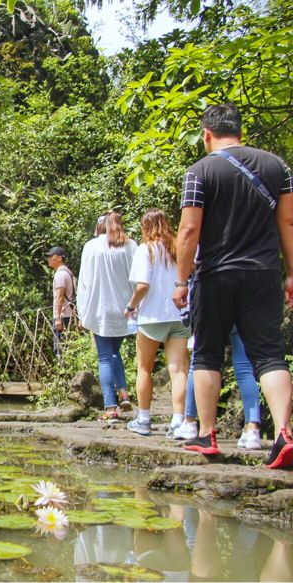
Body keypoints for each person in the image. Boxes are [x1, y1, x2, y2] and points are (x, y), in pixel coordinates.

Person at [172, 103, 293, 467]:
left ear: (206, 134)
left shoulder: (199, 171)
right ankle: (285, 433)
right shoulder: (278, 167)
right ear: (240, 131)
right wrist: (291, 273)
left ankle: (207, 435)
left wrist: (181, 279)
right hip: (264, 273)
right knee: (269, 354)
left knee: (207, 352)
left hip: (216, 274)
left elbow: (189, 230)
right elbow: (287, 223)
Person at [124, 209, 190, 437]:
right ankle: (179, 420)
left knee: (144, 368)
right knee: (178, 368)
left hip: (152, 317)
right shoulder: (178, 247)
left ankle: (143, 419)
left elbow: (143, 285)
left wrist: (131, 306)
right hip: (179, 314)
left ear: (146, 227)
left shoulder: (146, 249)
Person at [76, 211, 137, 423]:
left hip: (100, 310)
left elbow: (84, 282)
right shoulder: (130, 246)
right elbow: (137, 279)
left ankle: (111, 407)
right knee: (114, 353)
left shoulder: (91, 247)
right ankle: (124, 393)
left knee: (104, 357)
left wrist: (82, 311)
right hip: (125, 310)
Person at [175, 329, 262, 448]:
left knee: (201, 361)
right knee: (245, 368)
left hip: (213, 314)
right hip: (241, 314)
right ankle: (252, 430)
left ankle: (190, 422)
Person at [45, 247, 74, 358]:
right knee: (68, 347)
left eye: (51, 256)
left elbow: (59, 297)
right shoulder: (67, 272)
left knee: (60, 349)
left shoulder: (61, 274)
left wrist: (57, 318)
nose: (48, 259)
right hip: (68, 315)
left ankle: (64, 373)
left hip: (62, 317)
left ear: (59, 258)